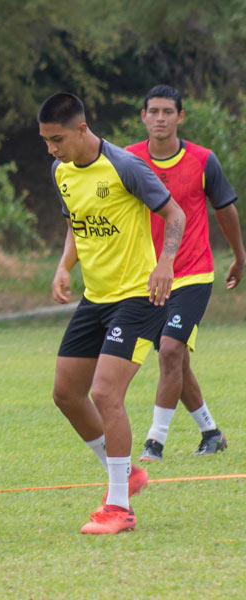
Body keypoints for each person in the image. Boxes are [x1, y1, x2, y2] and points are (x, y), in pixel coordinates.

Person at [39, 93, 186, 534]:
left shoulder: (125, 166)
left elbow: (174, 215)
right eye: (46, 141)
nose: (52, 149)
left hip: (139, 298)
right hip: (96, 298)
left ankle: (119, 507)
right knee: (66, 393)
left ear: (82, 129)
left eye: (57, 139)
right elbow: (75, 222)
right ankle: (127, 474)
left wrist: (166, 263)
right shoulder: (60, 171)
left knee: (105, 393)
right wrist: (66, 265)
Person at [126, 85, 245, 461]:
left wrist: (240, 256)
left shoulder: (203, 160)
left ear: (180, 117)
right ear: (142, 117)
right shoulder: (127, 160)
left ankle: (154, 442)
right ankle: (211, 432)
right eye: (153, 111)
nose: (160, 118)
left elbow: (225, 210)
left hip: (193, 273)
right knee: (177, 361)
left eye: (167, 111)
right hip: (147, 276)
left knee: (170, 349)